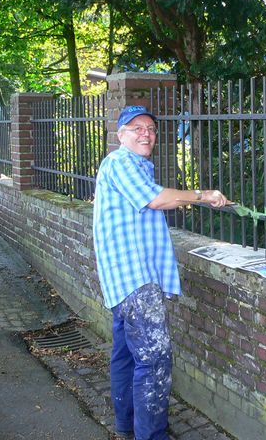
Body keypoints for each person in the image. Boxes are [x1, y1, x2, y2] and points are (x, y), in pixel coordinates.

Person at [93, 105, 228, 440]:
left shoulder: (136, 167)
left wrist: (188, 199)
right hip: (134, 278)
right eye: (136, 128)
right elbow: (155, 200)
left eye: (151, 129)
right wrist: (203, 195)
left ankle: (127, 425)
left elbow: (160, 200)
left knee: (126, 354)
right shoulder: (120, 162)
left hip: (126, 280)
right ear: (120, 134)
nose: (146, 134)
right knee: (154, 360)